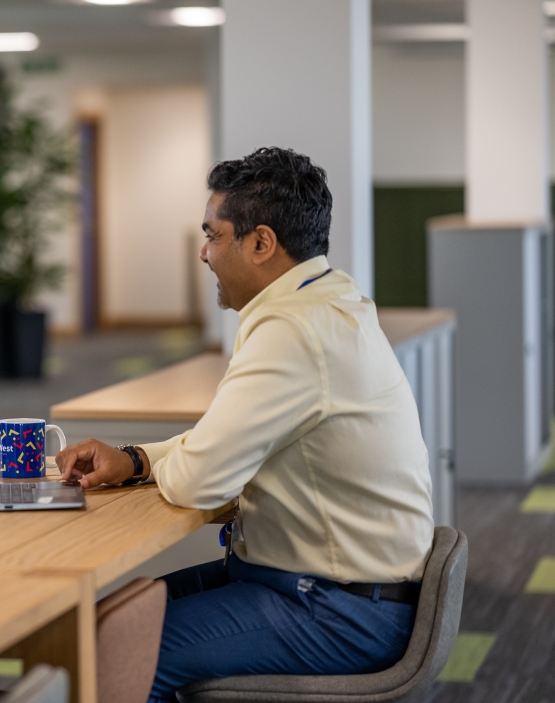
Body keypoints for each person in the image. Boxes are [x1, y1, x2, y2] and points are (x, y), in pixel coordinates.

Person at [57, 148, 434, 702]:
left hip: (336, 609)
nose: (204, 254)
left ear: (260, 243)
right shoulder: (330, 300)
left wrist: (163, 463)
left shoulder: (294, 331)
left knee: (113, 658)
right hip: (332, 586)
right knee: (108, 624)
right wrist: (137, 459)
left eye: (212, 235)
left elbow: (199, 479)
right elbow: (219, 443)